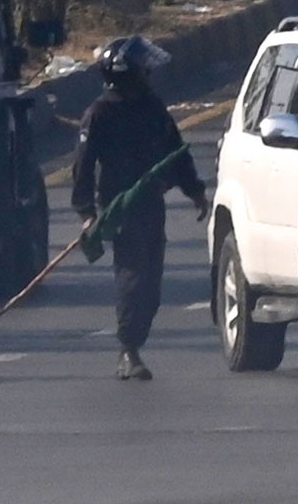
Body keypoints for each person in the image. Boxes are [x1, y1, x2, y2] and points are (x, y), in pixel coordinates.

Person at [69, 35, 209, 381]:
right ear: (127, 73)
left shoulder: (152, 107)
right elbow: (82, 167)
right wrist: (87, 213)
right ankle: (128, 351)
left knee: (152, 286)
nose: (149, 76)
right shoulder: (99, 113)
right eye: (143, 70)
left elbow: (175, 151)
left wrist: (194, 191)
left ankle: (134, 340)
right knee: (132, 277)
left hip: (150, 204)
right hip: (120, 207)